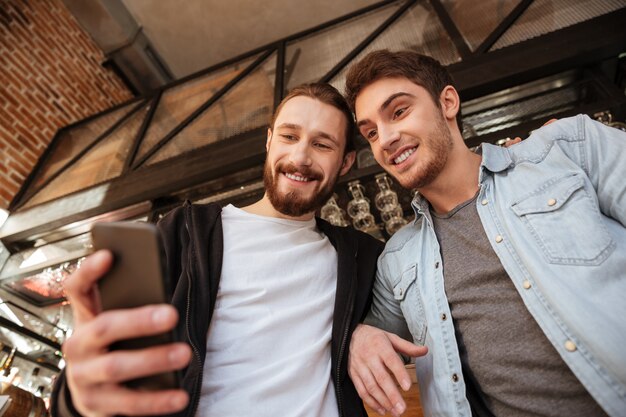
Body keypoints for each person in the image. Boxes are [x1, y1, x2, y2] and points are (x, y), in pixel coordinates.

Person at [50, 83, 384, 417]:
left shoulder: (361, 257)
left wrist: (362, 332)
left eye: (322, 144)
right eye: (289, 136)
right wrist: (76, 399)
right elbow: (103, 369)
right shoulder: (186, 233)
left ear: (345, 162)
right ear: (269, 141)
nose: (300, 157)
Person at [344, 50, 626, 417]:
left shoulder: (569, 148)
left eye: (398, 112)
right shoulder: (397, 259)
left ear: (447, 102)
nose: (385, 139)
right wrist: (358, 339)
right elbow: (376, 343)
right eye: (370, 132)